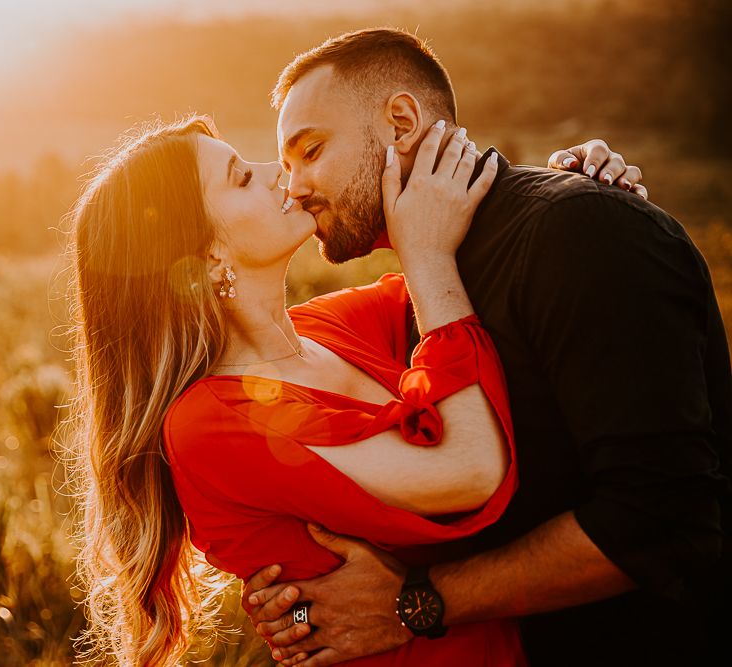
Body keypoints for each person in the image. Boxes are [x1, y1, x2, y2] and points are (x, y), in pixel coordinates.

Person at [64, 106, 646, 663]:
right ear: (207, 257)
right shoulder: (208, 422)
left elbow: (464, 266)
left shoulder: (330, 326)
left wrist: (567, 195)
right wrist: (429, 259)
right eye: (242, 178)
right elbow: (467, 471)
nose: (278, 173)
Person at [239, 28, 731, 667]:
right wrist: (300, 601)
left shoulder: (584, 231)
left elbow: (664, 525)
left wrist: (414, 605)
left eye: (311, 150)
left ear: (401, 120)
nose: (294, 187)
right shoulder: (429, 282)